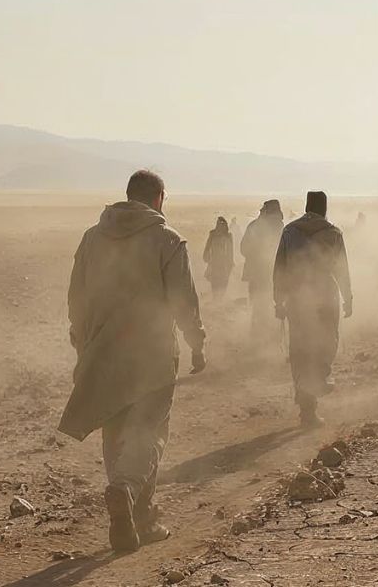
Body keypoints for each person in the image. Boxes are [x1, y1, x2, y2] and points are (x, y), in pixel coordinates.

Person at [59, 170, 207, 554]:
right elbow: (183, 302)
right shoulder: (167, 240)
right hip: (152, 352)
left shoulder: (92, 238)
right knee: (150, 429)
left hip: (102, 350)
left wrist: (82, 339)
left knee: (116, 428)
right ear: (159, 198)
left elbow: (76, 296)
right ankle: (125, 490)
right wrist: (197, 341)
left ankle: (135, 519)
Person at [273, 191, 353, 427]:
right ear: (324, 208)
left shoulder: (289, 231)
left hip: (297, 298)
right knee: (327, 342)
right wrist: (348, 296)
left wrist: (278, 299)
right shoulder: (333, 233)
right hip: (326, 296)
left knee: (300, 350)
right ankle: (319, 379)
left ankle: (306, 408)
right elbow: (342, 269)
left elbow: (280, 268)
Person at [241, 200, 285, 349]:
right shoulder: (282, 227)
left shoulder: (254, 226)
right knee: (275, 306)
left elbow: (243, 249)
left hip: (258, 274)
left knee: (259, 307)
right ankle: (272, 342)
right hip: (275, 274)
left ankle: (258, 341)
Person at [203, 217, 234, 298]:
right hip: (214, 263)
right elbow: (207, 247)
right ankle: (216, 302)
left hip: (224, 264)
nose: (220, 226)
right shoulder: (213, 234)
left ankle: (219, 302)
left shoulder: (228, 236)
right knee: (215, 283)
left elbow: (231, 251)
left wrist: (231, 262)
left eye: (222, 224)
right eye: (218, 224)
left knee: (223, 283)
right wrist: (206, 257)